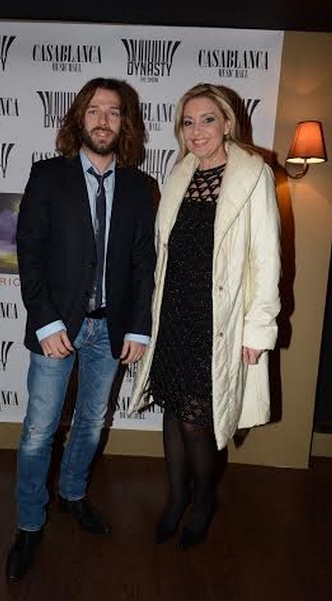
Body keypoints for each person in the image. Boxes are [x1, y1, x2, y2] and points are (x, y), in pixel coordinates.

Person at [6, 77, 156, 582]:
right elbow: (29, 251)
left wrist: (138, 327)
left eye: (113, 111)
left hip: (110, 332)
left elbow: (143, 262)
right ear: (78, 118)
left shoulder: (139, 187)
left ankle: (72, 494)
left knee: (91, 423)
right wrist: (45, 320)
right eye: (94, 110)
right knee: (38, 431)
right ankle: (29, 524)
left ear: (125, 123)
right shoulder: (48, 176)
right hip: (56, 328)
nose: (103, 120)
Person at [128, 83, 281, 550]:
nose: (196, 131)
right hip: (175, 313)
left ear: (228, 122)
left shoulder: (253, 175)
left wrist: (258, 330)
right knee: (173, 411)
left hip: (218, 319)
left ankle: (203, 502)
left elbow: (267, 258)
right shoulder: (180, 173)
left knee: (200, 421)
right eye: (188, 122)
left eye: (207, 119)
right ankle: (176, 498)